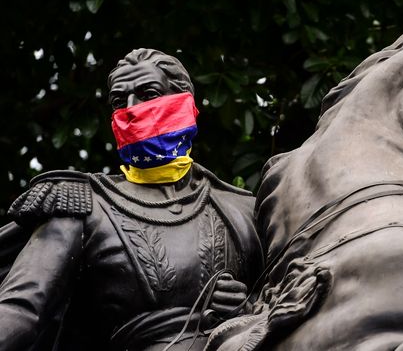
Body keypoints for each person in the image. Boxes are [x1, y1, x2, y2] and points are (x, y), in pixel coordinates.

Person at [0, 49, 263, 350]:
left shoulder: (242, 210)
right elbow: (20, 309)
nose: (131, 110)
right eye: (118, 102)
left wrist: (248, 307)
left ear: (184, 105)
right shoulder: (82, 205)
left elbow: (292, 297)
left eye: (147, 94)